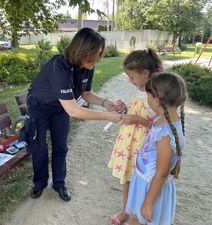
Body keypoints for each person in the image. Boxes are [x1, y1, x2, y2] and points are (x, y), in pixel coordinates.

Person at [20, 28, 123, 202]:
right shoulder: (58, 67)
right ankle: (40, 182)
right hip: (40, 107)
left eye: (100, 53)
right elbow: (74, 110)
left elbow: (86, 93)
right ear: (82, 50)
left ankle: (59, 183)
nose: (99, 58)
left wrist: (106, 103)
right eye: (96, 53)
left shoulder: (87, 65)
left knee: (61, 146)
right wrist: (107, 117)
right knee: (39, 148)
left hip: (61, 108)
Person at [123, 72, 187, 225]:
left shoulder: (166, 134)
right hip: (145, 182)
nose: (147, 100)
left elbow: (162, 173)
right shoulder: (163, 120)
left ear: (156, 100)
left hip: (151, 188)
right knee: (137, 218)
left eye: (148, 96)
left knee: (140, 219)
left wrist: (148, 202)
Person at [108, 49, 162, 225]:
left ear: (145, 73)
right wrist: (124, 109)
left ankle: (137, 215)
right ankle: (126, 210)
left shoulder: (155, 93)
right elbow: (133, 112)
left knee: (140, 181)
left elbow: (160, 124)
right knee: (127, 178)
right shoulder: (140, 89)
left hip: (143, 147)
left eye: (131, 77)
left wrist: (138, 119)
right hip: (129, 144)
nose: (129, 80)